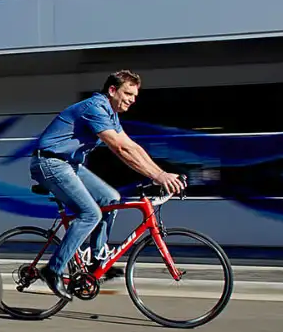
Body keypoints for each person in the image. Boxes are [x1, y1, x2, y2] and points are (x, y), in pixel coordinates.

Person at [30, 70, 186, 300]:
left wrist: (159, 174)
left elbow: (129, 147)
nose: (133, 99)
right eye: (128, 93)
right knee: (90, 214)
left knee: (110, 199)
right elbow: (120, 148)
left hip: (69, 164)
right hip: (50, 162)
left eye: (135, 95)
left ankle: (97, 260)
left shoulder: (111, 114)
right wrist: (160, 176)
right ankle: (52, 270)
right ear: (112, 90)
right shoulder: (95, 108)